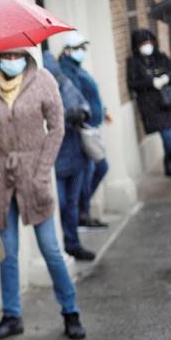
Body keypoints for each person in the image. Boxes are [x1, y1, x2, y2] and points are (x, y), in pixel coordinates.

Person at [0, 48, 87, 340]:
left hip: (34, 176)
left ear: (26, 56)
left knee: (50, 248)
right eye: (6, 56)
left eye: (17, 55)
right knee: (8, 251)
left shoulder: (43, 79)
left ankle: (70, 310)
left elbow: (57, 127)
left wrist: (42, 170)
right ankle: (12, 316)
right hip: (2, 177)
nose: (12, 61)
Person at [43, 51, 96, 261]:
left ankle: (73, 243)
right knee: (62, 204)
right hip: (55, 158)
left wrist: (81, 113)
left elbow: (84, 104)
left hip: (76, 154)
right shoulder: (40, 90)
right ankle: (62, 245)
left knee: (72, 205)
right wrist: (65, 119)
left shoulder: (65, 83)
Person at [59, 32, 111, 230]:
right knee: (94, 169)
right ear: (67, 50)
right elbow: (77, 99)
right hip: (81, 131)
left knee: (92, 171)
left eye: (84, 48)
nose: (82, 52)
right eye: (78, 48)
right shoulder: (67, 71)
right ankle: (81, 213)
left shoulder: (77, 68)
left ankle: (83, 212)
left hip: (90, 128)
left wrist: (102, 111)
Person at [126, 29, 171, 177]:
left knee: (169, 136)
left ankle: (169, 165)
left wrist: (166, 78)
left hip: (168, 101)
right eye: (143, 43)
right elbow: (132, 83)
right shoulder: (134, 62)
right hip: (151, 105)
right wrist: (151, 82)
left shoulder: (161, 57)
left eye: (149, 42)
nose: (147, 46)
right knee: (167, 135)